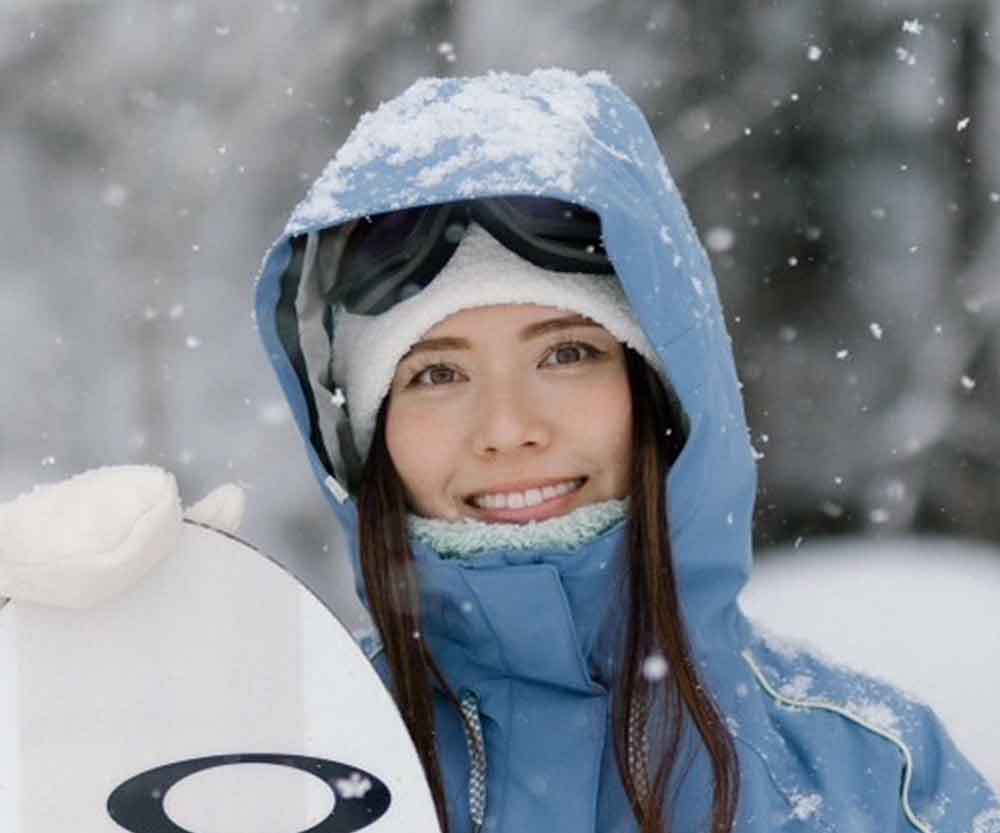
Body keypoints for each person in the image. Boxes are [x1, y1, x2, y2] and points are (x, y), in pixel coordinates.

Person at [254, 70, 999, 833]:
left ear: (662, 388)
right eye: (437, 373)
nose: (508, 428)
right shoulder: (275, 760)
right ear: (368, 435)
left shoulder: (875, 779)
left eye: (566, 354)